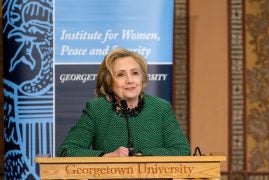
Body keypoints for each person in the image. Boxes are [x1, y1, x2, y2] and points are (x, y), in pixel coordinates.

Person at [58, 48, 191, 157]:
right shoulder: (96, 109)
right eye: (121, 75)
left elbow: (182, 150)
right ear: (109, 82)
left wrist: (140, 155)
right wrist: (106, 156)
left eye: (135, 73)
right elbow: (66, 151)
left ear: (142, 78)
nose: (130, 80)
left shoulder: (160, 108)